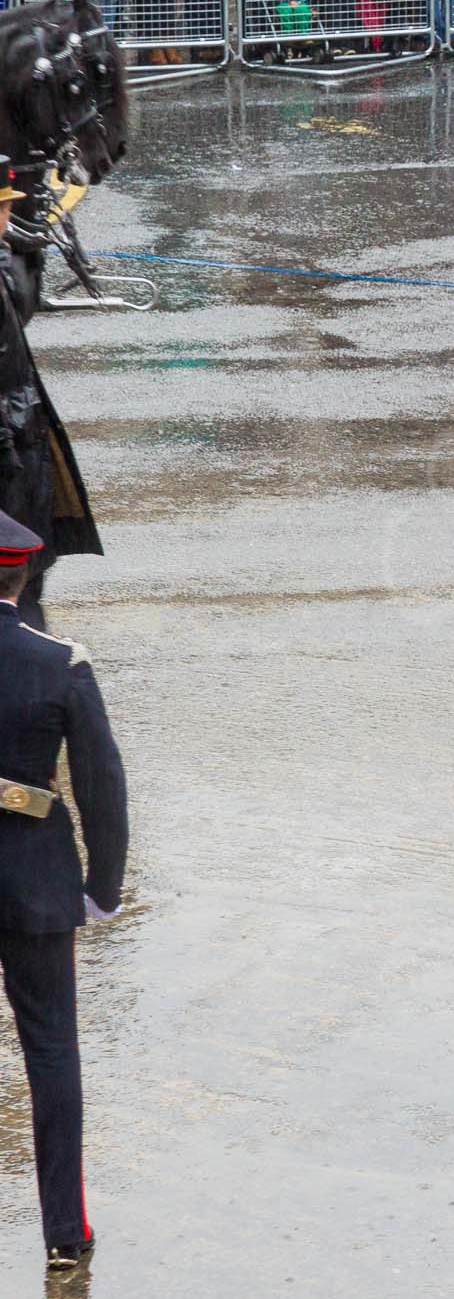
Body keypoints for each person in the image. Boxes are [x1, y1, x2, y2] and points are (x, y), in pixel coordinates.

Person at [0, 510, 129, 1273]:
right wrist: (101, 888)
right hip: (36, 878)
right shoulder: (61, 661)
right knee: (51, 1051)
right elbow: (102, 782)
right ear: (23, 574)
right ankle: (64, 1236)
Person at [0, 160, 103, 635]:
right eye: (4, 209)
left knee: (28, 559)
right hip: (11, 439)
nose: (7, 218)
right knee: (18, 558)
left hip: (22, 427)